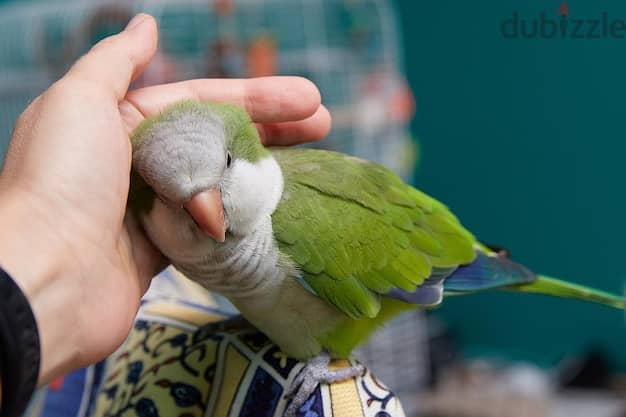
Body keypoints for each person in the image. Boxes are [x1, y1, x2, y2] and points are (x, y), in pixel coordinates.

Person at [0, 14, 330, 416]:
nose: (207, 216)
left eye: (225, 162)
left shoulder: (298, 221)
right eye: (168, 197)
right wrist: (54, 249)